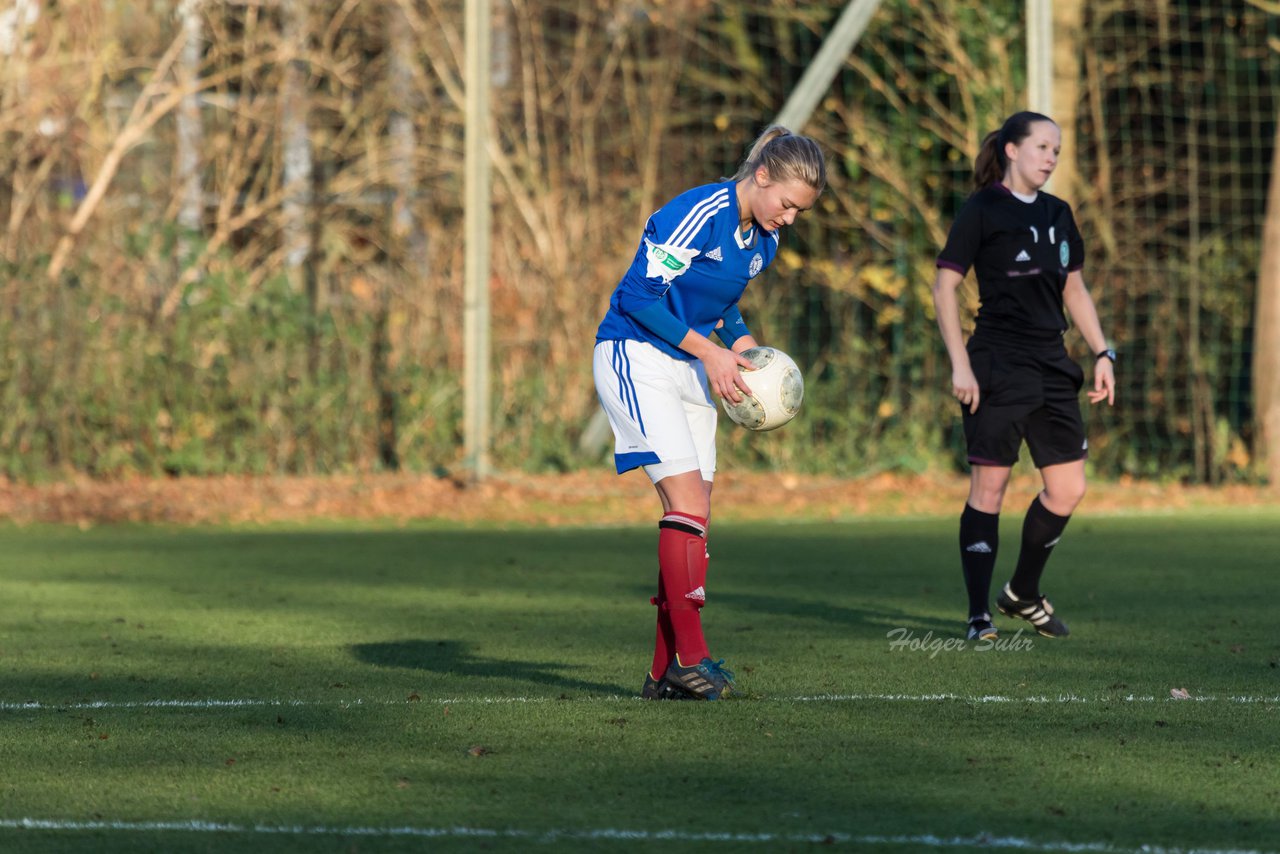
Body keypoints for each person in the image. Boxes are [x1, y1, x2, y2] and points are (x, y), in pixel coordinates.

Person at [593, 126, 826, 700]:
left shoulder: (763, 240)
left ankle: (661, 673)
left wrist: (742, 345)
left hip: (692, 367)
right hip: (636, 354)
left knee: (696, 520)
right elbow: (638, 297)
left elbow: (722, 304)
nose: (790, 219)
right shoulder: (699, 210)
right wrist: (712, 352)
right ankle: (691, 658)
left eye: (801, 212)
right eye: (787, 204)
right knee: (687, 503)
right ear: (763, 175)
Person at [931, 111, 1115, 641]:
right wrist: (960, 363)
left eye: (1057, 149)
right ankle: (978, 616)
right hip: (997, 361)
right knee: (990, 486)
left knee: (1068, 488)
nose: (1051, 157)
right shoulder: (982, 209)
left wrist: (1104, 352)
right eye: (1042, 147)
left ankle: (1022, 593)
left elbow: (1074, 290)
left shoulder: (1060, 213)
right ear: (1011, 150)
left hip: (1052, 364)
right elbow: (945, 287)